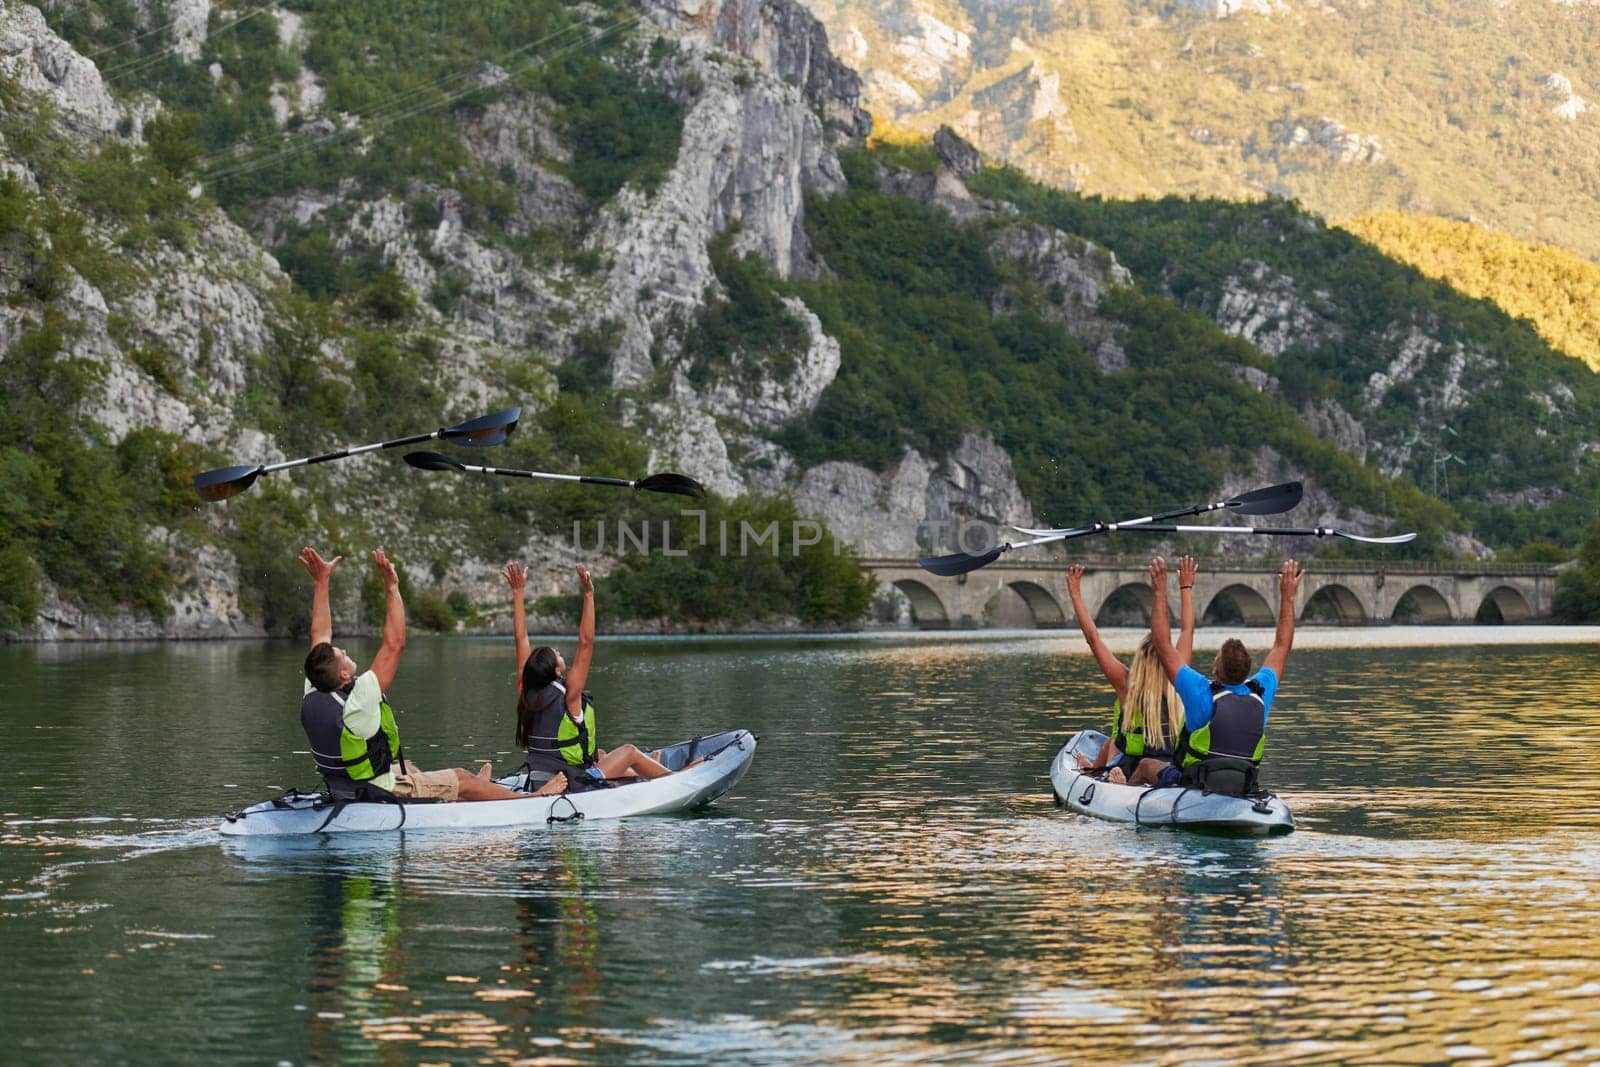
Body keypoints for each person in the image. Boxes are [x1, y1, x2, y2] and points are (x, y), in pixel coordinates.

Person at [298, 547, 564, 801]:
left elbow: (319, 634)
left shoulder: (315, 685)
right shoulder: (359, 701)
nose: (344, 650)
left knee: (409, 768)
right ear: (344, 676)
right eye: (342, 655)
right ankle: (530, 796)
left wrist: (322, 581)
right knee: (461, 778)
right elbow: (394, 643)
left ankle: (478, 789)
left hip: (343, 785)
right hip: (377, 791)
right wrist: (392, 587)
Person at [504, 561, 687, 786]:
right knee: (628, 751)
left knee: (599, 753)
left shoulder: (527, 691)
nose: (561, 654)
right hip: (569, 783)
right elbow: (586, 643)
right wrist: (589, 595)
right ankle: (675, 781)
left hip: (538, 780)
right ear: (556, 669)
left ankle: (648, 768)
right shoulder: (569, 695)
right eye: (558, 654)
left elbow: (521, 639)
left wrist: (518, 592)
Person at [1141, 555, 1305, 796]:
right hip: (1242, 784)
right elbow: (1282, 646)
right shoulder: (1260, 691)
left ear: (1215, 669)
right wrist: (1288, 597)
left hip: (1194, 784)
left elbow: (1162, 644)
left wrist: (1159, 592)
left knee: (1146, 765)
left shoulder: (1199, 691)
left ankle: (1125, 791)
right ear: (1247, 670)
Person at [1066, 557, 1197, 786]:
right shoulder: (1181, 678)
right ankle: (1103, 773)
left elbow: (1093, 640)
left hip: (1133, 769)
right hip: (1171, 767)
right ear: (1169, 657)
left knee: (1114, 746)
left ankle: (1115, 781)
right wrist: (1185, 587)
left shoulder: (1127, 685)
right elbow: (1188, 630)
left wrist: (1076, 595)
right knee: (1111, 744)